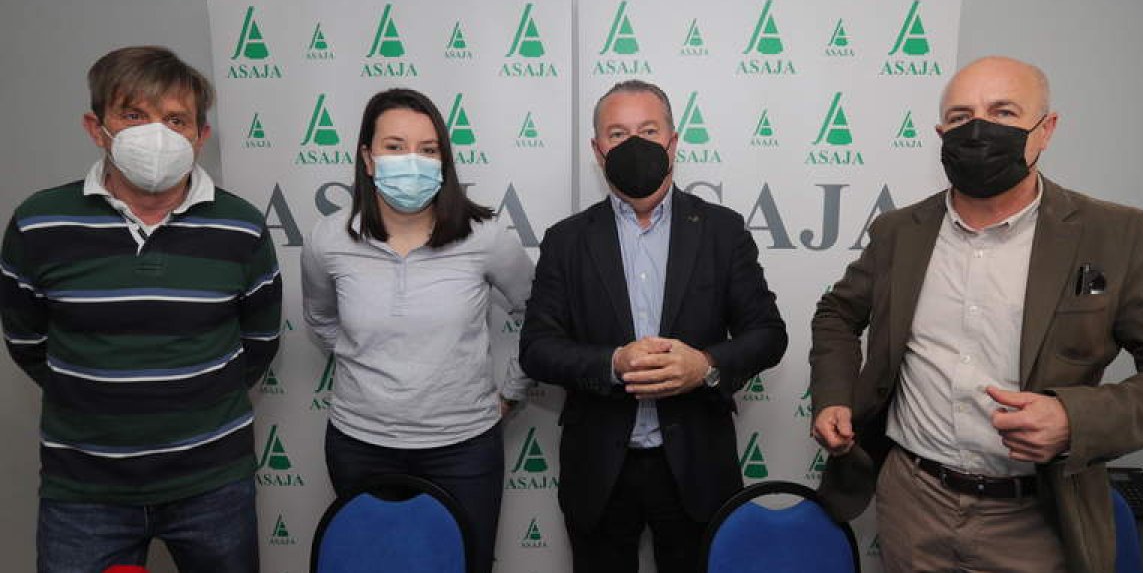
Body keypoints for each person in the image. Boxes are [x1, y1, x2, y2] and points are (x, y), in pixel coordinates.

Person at [809, 56, 1143, 573]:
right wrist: (834, 395)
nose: (978, 130)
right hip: (912, 503)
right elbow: (837, 311)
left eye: (1004, 113)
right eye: (961, 116)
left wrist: (1075, 418)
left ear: (1046, 130)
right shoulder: (898, 232)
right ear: (940, 133)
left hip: (1038, 515)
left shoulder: (1118, 235)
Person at [1, 46, 282, 572]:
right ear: (96, 126)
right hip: (83, 492)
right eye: (134, 115)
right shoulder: (39, 223)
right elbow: (28, 342)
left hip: (213, 486)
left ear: (200, 135)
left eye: (176, 120)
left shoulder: (240, 227)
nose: (156, 134)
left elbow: (260, 343)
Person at [520, 79, 788, 573]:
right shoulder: (567, 240)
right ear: (597, 151)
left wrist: (705, 365)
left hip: (697, 467)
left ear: (672, 142)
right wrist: (610, 363)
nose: (635, 144)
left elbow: (768, 334)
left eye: (648, 129)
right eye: (618, 134)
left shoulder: (722, 231)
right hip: (600, 470)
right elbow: (536, 348)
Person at [301, 87, 534, 573]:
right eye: (394, 146)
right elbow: (321, 319)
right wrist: (365, 367)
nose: (413, 161)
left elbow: (540, 316)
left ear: (444, 160)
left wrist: (509, 392)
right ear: (367, 157)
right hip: (360, 445)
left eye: (428, 150)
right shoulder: (329, 238)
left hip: (464, 450)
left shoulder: (484, 235)